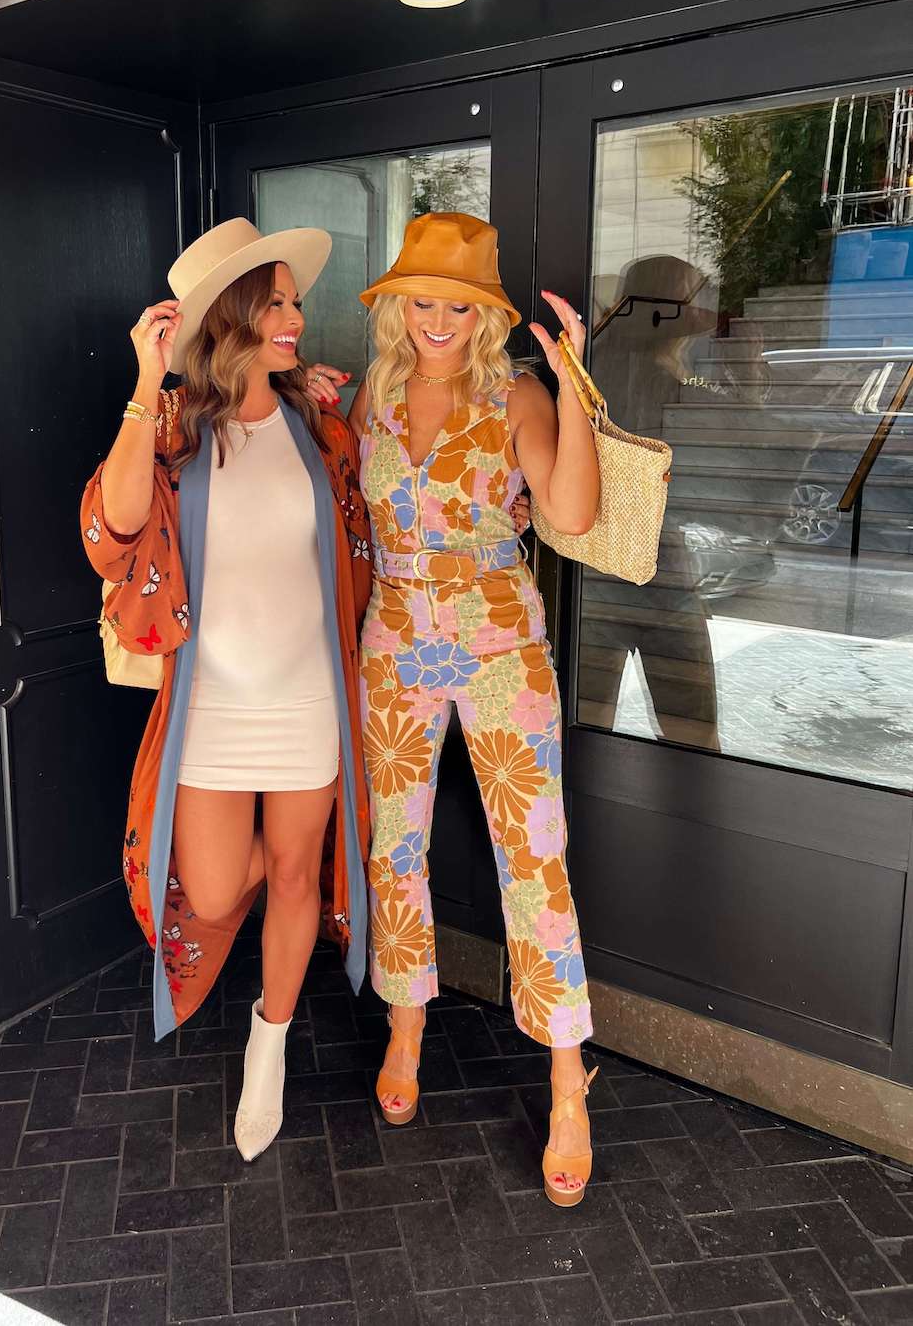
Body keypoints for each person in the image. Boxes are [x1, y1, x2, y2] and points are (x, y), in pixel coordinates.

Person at [80, 218, 372, 1161]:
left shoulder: (318, 425)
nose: (295, 317)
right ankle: (259, 1020)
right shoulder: (172, 430)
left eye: (294, 300)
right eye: (276, 302)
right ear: (233, 317)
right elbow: (111, 532)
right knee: (208, 888)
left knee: (294, 875)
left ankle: (270, 1043)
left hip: (306, 702)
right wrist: (142, 383)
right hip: (210, 708)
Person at [344, 211, 601, 1206]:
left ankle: (568, 1081)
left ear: (483, 312)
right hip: (397, 638)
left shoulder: (516, 393)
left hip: (500, 638)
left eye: (456, 305)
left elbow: (571, 516)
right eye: (422, 302)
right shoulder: (374, 391)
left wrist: (572, 380)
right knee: (394, 846)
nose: (437, 321)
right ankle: (407, 1022)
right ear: (396, 306)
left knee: (533, 861)